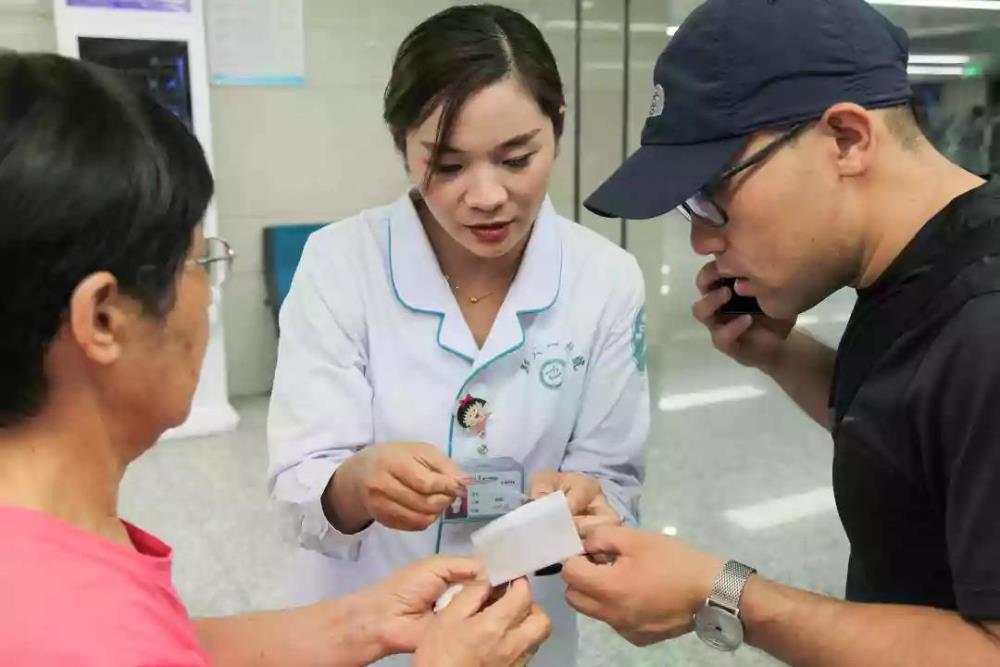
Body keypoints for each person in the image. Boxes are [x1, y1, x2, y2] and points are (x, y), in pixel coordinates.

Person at [0, 51, 550, 667]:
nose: (209, 292)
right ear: (103, 318)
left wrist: (361, 624)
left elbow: (163, 640)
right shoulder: (57, 626)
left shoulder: (54, 557)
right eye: (198, 261)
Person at [561, 0, 1000, 664]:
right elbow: (913, 438)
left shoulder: (987, 323)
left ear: (846, 139)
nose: (702, 240)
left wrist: (725, 594)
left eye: (714, 194)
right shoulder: (910, 265)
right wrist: (780, 353)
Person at [266, 5, 649, 665]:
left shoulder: (606, 279)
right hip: (366, 629)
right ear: (402, 145)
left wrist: (588, 501)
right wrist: (358, 482)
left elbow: (613, 480)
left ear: (557, 127)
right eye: (446, 165)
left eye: (517, 158)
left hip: (522, 631)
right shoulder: (340, 263)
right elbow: (301, 480)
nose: (486, 195)